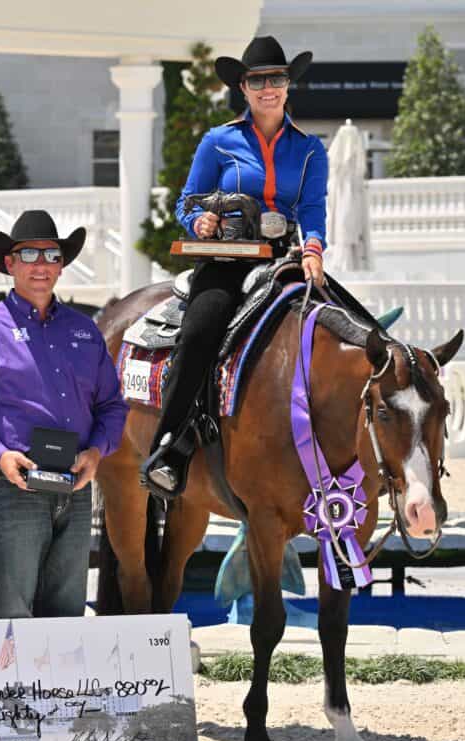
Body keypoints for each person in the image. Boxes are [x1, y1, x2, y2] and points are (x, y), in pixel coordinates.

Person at [142, 35, 328, 497]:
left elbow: (313, 210)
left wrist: (314, 249)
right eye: (258, 80)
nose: (269, 88)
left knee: (336, 326)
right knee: (201, 331)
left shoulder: (310, 150)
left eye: (277, 79)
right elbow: (187, 201)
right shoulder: (217, 141)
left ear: (288, 86)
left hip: (285, 259)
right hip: (226, 260)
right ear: (242, 88)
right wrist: (199, 220)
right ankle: (170, 445)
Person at [0, 210, 129, 619]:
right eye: (29, 254)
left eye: (51, 254)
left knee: (66, 611)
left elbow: (112, 406)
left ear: (61, 265)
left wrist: (96, 452)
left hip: (75, 489)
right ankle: (10, 687)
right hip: (13, 487)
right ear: (10, 263)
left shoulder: (84, 330)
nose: (41, 265)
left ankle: (55, 687)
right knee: (10, 612)